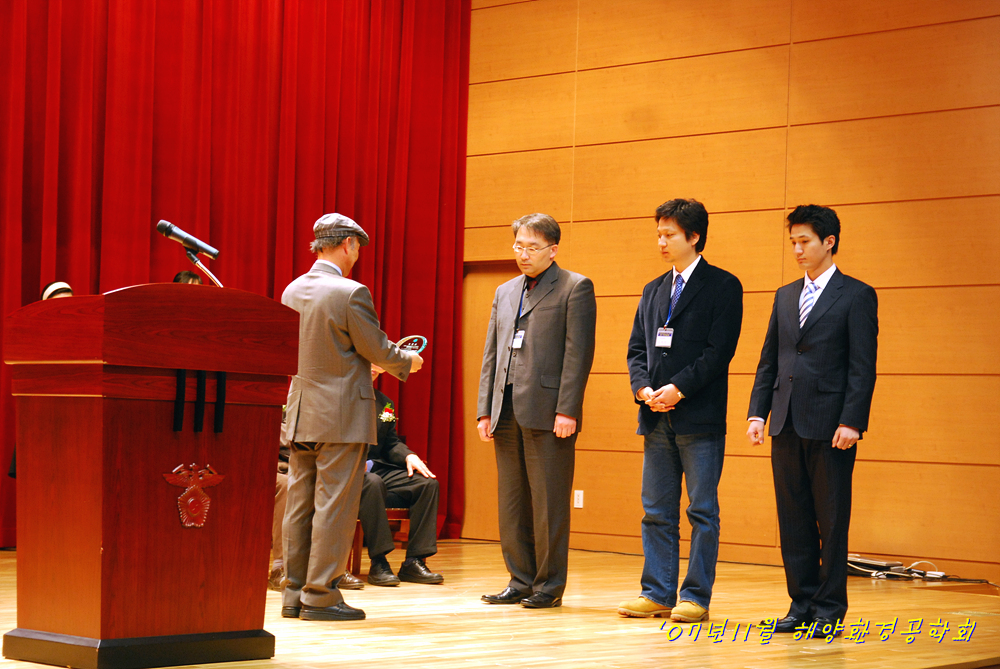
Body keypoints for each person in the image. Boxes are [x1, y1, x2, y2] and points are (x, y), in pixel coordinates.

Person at [280, 213, 423, 622]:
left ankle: (294, 593)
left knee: (300, 505)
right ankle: (321, 596)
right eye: (357, 247)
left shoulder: (292, 290)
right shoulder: (351, 292)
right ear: (347, 244)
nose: (357, 254)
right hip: (341, 417)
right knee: (335, 508)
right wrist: (407, 361)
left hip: (302, 413)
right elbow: (375, 348)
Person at [747, 204, 878, 639]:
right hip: (785, 421)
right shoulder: (785, 295)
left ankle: (829, 610)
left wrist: (852, 420)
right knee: (794, 519)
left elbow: (862, 366)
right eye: (793, 242)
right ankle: (800, 604)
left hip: (830, 426)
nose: (797, 250)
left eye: (805, 241)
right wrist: (757, 412)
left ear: (829, 242)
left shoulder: (856, 295)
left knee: (831, 520)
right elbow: (770, 358)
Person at [618, 199, 743, 622]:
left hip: (699, 417)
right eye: (658, 234)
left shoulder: (723, 286)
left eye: (669, 234)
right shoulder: (653, 289)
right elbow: (637, 349)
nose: (661, 241)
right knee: (656, 511)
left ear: (694, 236)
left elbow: (718, 352)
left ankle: (695, 597)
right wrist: (643, 388)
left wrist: (678, 389)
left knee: (702, 512)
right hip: (655, 416)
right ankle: (657, 592)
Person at [477, 213, 597, 609]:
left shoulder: (575, 287)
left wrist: (568, 409)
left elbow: (578, 355)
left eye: (532, 247)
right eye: (518, 246)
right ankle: (519, 580)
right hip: (505, 409)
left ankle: (549, 585)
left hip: (549, 411)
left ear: (552, 249)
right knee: (512, 501)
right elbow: (492, 353)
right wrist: (484, 409)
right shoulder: (504, 291)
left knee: (549, 503)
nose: (523, 254)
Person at [341, 364, 443, 588]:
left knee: (427, 484)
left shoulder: (384, 402)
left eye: (379, 362)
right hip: (346, 470)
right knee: (372, 483)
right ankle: (379, 562)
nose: (375, 366)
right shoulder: (339, 395)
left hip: (376, 467)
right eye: (369, 359)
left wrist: (409, 455)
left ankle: (414, 561)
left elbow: (390, 443)